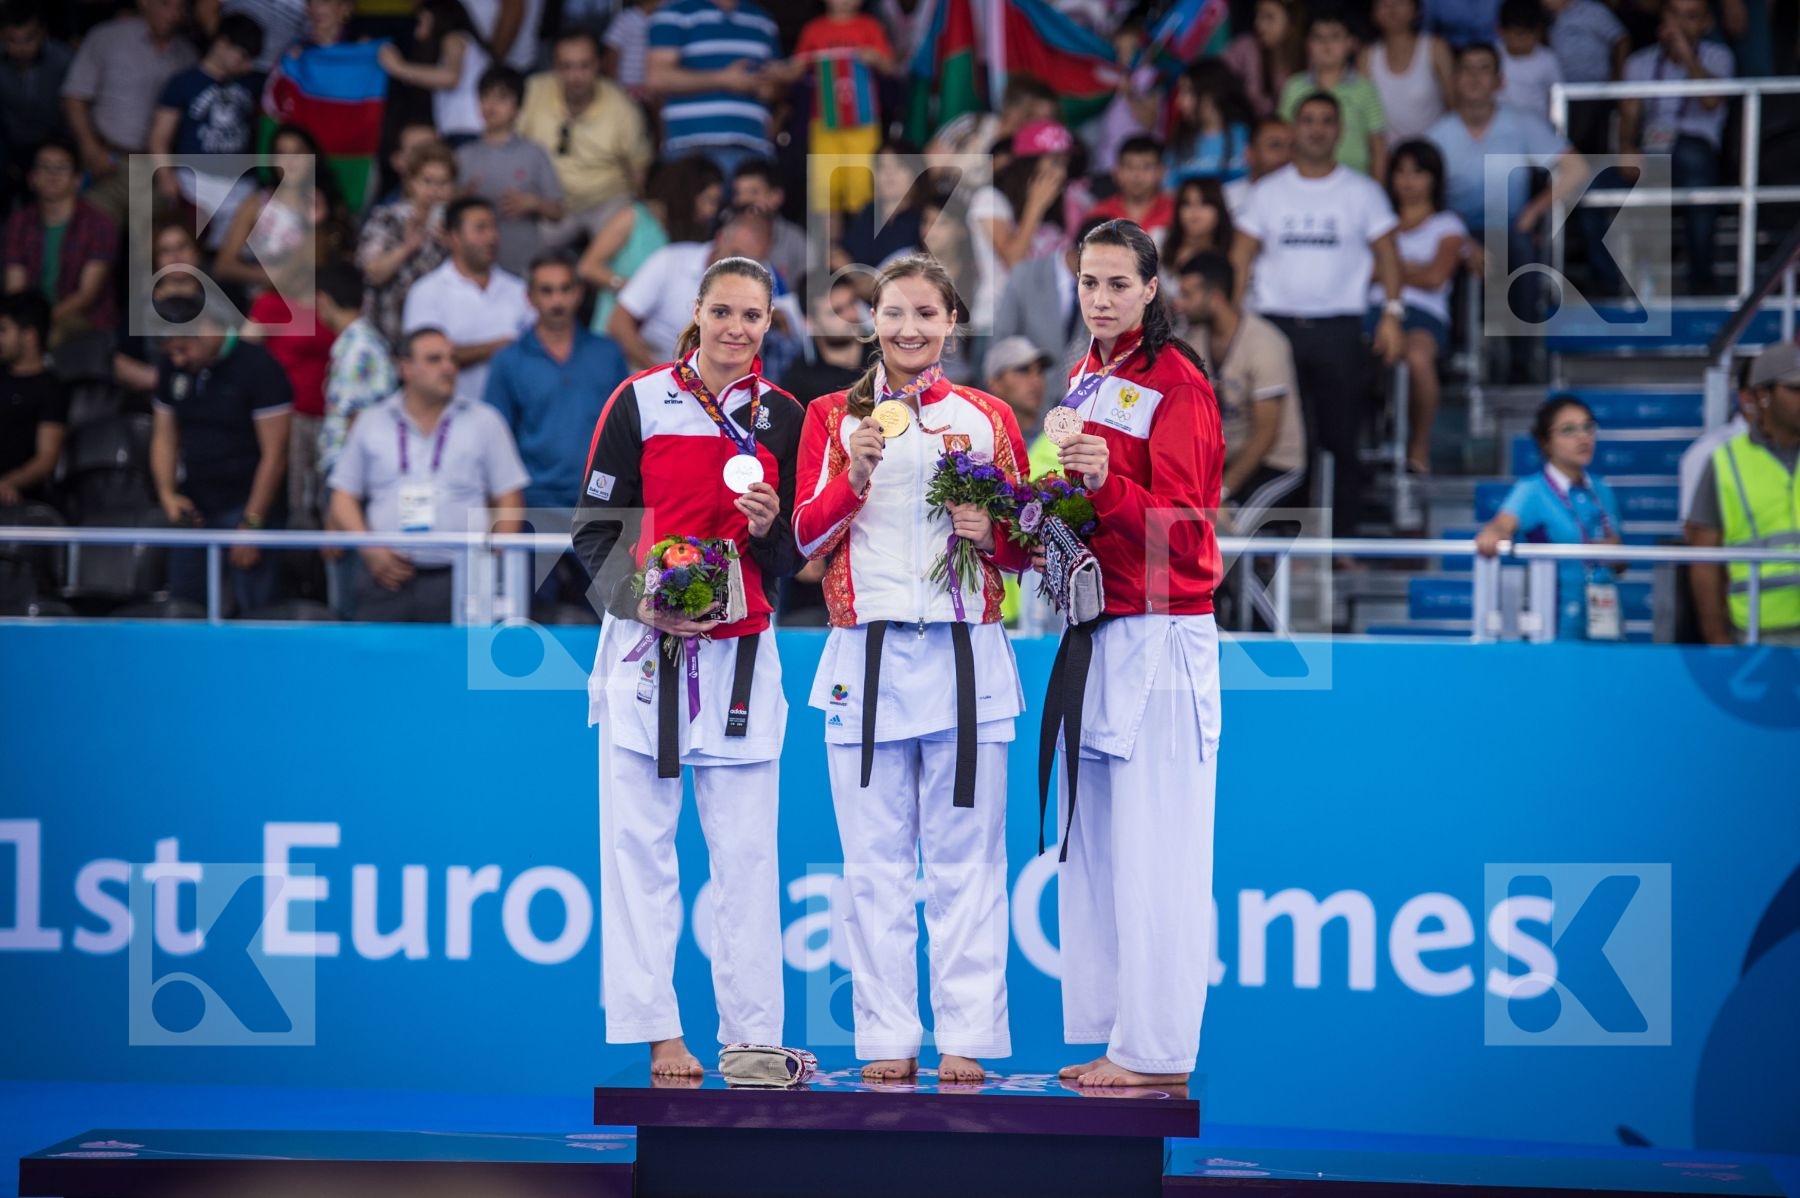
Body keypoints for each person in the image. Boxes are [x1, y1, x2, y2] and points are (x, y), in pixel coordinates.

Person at [792, 254, 1029, 1083]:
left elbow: (1027, 548)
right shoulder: (831, 414)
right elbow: (805, 540)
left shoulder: (991, 416)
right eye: (894, 313)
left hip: (969, 659)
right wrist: (852, 474)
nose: (909, 329)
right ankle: (885, 1037)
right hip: (867, 658)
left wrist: (989, 534)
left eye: (926, 313)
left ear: (952, 322)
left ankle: (967, 1034)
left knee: (969, 863)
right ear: (873, 321)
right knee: (873, 866)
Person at [573, 255, 805, 1077]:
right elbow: (593, 533)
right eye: (724, 312)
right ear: (697, 314)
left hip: (742, 649)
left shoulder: (785, 415)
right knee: (639, 852)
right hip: (647, 648)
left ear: (769, 326)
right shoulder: (638, 401)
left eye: (754, 316)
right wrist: (644, 601)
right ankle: (659, 1035)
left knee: (747, 856)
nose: (738, 329)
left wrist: (776, 523)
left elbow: (791, 558)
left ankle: (749, 1042)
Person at [1036, 219, 1222, 1089]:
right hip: (1099, 626)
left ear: (1152, 289)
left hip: (1163, 628)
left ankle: (1161, 1055)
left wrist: (1108, 483)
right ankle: (1121, 1036)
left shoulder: (1178, 384)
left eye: (1117, 284)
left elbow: (1187, 533)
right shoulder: (1085, 377)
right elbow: (1091, 507)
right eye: (1088, 283)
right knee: (1104, 848)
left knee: (1161, 851)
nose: (1100, 299)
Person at [1232, 93, 1405, 532]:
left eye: (1326, 121)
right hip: (1276, 328)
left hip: (1339, 330)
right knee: (1285, 442)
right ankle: (1284, 538)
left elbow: (1387, 252)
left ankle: (1341, 540)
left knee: (1340, 437)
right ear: (1295, 128)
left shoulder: (1363, 191)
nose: (1316, 129)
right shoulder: (1267, 193)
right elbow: (1241, 255)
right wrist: (1235, 320)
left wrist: (1392, 313)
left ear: (1340, 130)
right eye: (1308, 120)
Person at [327, 326, 530, 622]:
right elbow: (343, 495)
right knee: (381, 664)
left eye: (452, 359)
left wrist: (491, 559)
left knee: (457, 667)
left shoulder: (485, 421)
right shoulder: (372, 421)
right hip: (384, 575)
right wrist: (370, 549)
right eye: (435, 360)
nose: (448, 368)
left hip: (461, 578)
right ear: (406, 368)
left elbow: (509, 496)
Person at [485, 252, 626, 604]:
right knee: (527, 617)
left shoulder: (608, 353)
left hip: (600, 505)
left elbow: (625, 432)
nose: (557, 300)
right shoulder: (509, 361)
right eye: (547, 291)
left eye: (564, 289)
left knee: (610, 616)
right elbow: (494, 440)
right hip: (534, 505)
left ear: (578, 293)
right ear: (529, 297)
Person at [151, 292, 292, 615]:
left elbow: (276, 454)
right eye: (170, 352)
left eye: (183, 348)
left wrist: (252, 524)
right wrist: (167, 494)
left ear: (207, 328)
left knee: (256, 614)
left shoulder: (258, 367)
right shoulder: (171, 368)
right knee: (185, 608)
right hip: (196, 508)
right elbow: (164, 435)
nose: (178, 360)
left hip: (248, 506)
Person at [1475, 395, 1626, 640]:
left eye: (1588, 427)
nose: (1583, 437)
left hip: (1606, 622)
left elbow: (1621, 565)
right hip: (1556, 627)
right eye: (1568, 430)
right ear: (1545, 442)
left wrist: (1617, 553)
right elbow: (1501, 524)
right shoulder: (1532, 490)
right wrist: (1494, 533)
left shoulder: (1602, 490)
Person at [1685, 343, 1800, 647]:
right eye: (1795, 389)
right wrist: (1717, 639)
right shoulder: (1725, 462)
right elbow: (1703, 563)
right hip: (1758, 633)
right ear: (1763, 396)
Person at [1178, 253, 1306, 520]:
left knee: (1224, 529)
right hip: (1224, 462)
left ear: (1214, 297)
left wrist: (1221, 493)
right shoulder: (1192, 341)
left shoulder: (1265, 343)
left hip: (1276, 464)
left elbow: (1265, 436)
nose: (1179, 304)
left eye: (1188, 295)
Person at [1619, 0, 1733, 295]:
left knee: (1693, 166)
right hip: (1649, 149)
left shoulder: (1719, 57)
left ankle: (1701, 279)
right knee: (1595, 184)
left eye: (1691, 17)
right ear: (1662, 19)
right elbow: (1629, 116)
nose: (1681, 25)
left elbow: (1710, 101)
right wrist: (1626, 146)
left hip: (1695, 146)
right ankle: (1617, 284)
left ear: (1706, 24)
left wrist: (1685, 55)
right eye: (1674, 15)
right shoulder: (1639, 62)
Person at [1369, 139, 1468, 474]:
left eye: (1418, 172)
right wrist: (1409, 268)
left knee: (1417, 356)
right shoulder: (1376, 221)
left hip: (1425, 315)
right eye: (1400, 172)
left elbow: (1436, 276)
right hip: (1372, 311)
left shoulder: (1448, 224)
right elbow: (1359, 272)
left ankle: (1419, 443)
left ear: (1434, 179)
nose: (1407, 181)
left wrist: (1389, 268)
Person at [59, 0, 197, 223]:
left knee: (148, 251)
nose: (174, 14)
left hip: (155, 169)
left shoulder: (187, 55)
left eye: (180, 7)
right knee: (94, 240)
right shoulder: (107, 37)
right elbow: (75, 97)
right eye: (166, 4)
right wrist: (89, 146)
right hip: (107, 163)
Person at [519, 29, 653, 244]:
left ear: (598, 65)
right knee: (526, 247)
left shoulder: (623, 108)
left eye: (584, 66)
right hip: (548, 204)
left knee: (624, 245)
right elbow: (512, 145)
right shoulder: (533, 91)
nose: (575, 76)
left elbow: (638, 172)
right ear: (554, 67)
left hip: (607, 202)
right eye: (567, 66)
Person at [645, 0, 799, 180]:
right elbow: (657, 78)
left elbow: (776, 89)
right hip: (690, 150)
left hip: (752, 151)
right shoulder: (674, 13)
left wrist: (769, 86)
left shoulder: (761, 20)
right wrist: (724, 79)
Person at [402, 196, 533, 402]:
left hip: (515, 415)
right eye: (481, 229)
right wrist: (500, 348)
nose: (492, 237)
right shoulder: (426, 292)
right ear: (454, 237)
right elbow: (424, 356)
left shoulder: (519, 290)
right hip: (450, 418)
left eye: (494, 228)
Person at [609, 206, 774, 371]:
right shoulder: (671, 260)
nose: (740, 266)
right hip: (650, 368)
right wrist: (661, 377)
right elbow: (618, 323)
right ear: (720, 238)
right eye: (735, 253)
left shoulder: (758, 281)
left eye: (751, 262)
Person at [148, 13, 263, 243]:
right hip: (194, 184)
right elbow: (159, 136)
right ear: (222, 44)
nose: (247, 64)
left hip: (242, 186)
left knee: (240, 254)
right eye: (243, 56)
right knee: (192, 251)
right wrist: (165, 175)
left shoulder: (255, 81)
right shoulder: (183, 83)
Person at [579, 154, 720, 338]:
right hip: (613, 331)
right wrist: (633, 289)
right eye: (708, 200)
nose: (712, 210)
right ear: (688, 194)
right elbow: (587, 267)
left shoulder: (695, 237)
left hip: (660, 342)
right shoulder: (633, 217)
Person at [211, 123, 351, 294]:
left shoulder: (329, 205)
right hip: (264, 302)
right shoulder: (257, 204)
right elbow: (224, 266)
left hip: (312, 302)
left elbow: (337, 263)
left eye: (298, 153)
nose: (290, 161)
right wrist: (269, 276)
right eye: (282, 153)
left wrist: (317, 224)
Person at [2, 139, 116, 347]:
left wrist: (40, 322)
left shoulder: (99, 223)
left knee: (43, 339)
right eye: (44, 167)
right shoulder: (19, 222)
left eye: (61, 168)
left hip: (81, 318)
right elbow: (15, 288)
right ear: (31, 178)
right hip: (29, 317)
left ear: (78, 179)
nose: (52, 175)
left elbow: (86, 295)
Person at [456, 65, 565, 275]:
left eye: (501, 98)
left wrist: (534, 203)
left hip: (524, 261)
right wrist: (461, 199)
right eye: (485, 97)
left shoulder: (534, 153)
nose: (491, 105)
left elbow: (558, 211)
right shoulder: (462, 155)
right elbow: (446, 210)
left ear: (518, 108)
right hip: (474, 267)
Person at [968, 120, 1077, 329]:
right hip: (999, 321)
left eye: (1064, 164)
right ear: (1029, 163)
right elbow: (1015, 262)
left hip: (1045, 324)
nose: (1061, 173)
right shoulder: (989, 198)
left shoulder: (1056, 209)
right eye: (1054, 162)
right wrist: (1035, 206)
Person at [792, 0, 896, 215]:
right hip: (824, 120)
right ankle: (830, 246)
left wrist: (875, 58)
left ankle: (861, 243)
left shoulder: (870, 26)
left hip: (863, 120)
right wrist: (773, 73)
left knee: (862, 185)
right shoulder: (813, 29)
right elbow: (795, 69)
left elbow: (890, 68)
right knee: (825, 187)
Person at [991, 219, 1103, 408]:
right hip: (1025, 411)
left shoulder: (1103, 292)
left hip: (1077, 413)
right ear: (1080, 253)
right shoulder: (1025, 275)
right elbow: (1000, 347)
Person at [358, 138, 456, 350]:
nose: (435, 191)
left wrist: (454, 246)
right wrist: (407, 248)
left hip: (438, 339)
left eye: (443, 183)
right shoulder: (387, 218)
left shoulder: (456, 228)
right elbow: (372, 272)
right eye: (427, 182)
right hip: (385, 334)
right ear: (411, 183)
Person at [1278, 15, 1389, 179]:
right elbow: (1285, 137)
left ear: (1350, 43)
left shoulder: (1365, 89)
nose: (1326, 45)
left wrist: (1378, 189)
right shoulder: (1294, 87)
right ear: (1308, 44)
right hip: (1304, 179)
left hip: (1356, 181)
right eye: (1318, 37)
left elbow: (1378, 146)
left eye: (1335, 37)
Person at [378, 0, 492, 146]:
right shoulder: (463, 41)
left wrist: (399, 68)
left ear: (439, 18)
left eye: (422, 21)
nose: (417, 32)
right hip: (463, 130)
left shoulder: (454, 38)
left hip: (467, 130)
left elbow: (451, 77)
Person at [0, 2, 74, 213]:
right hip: (11, 146)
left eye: (28, 39)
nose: (21, 47)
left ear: (42, 34)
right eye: (12, 40)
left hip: (56, 141)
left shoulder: (63, 60)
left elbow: (71, 110)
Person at [0, 291, 65, 508]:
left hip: (24, 501)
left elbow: (46, 459)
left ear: (29, 335)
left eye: (3, 330)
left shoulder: (51, 388)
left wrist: (8, 483)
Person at [1541, 0, 1628, 154]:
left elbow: (1621, 39)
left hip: (1594, 89)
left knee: (1585, 142)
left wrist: (1618, 76)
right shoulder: (1546, 17)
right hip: (1562, 92)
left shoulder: (1592, 11)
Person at [1362, 0, 1453, 143]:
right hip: (1387, 155)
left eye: (1400, 2)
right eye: (1384, 4)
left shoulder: (1435, 49)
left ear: (1417, 10)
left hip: (1432, 152)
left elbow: (1453, 104)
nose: (1392, 9)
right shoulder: (1366, 56)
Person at [1165, 60, 1253, 187]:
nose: (1178, 101)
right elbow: (1169, 191)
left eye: (1186, 92)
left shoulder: (1248, 136)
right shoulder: (1179, 140)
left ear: (1210, 95)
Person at [1223, 0, 1305, 117]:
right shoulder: (1245, 47)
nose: (1258, 24)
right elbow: (1217, 78)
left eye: (1268, 17)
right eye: (1258, 15)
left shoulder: (1307, 53)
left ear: (1291, 22)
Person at [730, 159, 805, 287]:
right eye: (738, 193)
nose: (744, 200)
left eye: (753, 192)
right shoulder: (726, 236)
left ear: (776, 197)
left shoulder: (795, 239)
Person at [1088, 136, 1173, 239]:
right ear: (1116, 172)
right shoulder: (1099, 214)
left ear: (1161, 172)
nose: (1137, 175)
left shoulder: (1175, 212)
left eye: (1146, 167)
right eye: (1129, 167)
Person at [1162, 178, 1236, 297]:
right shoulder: (1158, 242)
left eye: (1204, 204)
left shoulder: (1233, 251)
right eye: (1187, 204)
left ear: (1219, 211)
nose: (1194, 212)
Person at [195, 0, 308, 72]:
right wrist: (222, 51)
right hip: (225, 65)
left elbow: (313, 34)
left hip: (276, 74)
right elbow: (207, 7)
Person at [1497, 0, 1562, 121]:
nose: (1526, 40)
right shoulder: (1493, 57)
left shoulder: (1548, 60)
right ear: (1501, 31)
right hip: (1499, 127)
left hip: (1537, 127)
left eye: (1533, 34)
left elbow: (1556, 98)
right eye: (1519, 34)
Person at [1221, 117, 1292, 220]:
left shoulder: (1309, 196)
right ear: (1249, 153)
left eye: (1293, 146)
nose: (1286, 155)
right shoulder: (1227, 200)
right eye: (1275, 145)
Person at [602, 0, 658, 96]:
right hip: (626, 87)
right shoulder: (625, 19)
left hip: (654, 90)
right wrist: (615, 87)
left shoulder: (663, 20)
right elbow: (611, 54)